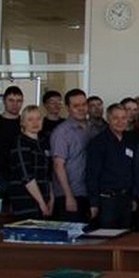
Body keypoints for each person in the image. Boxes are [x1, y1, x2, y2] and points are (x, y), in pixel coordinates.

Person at [86, 104, 138, 229]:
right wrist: (93, 203)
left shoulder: (130, 140)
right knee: (107, 236)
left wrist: (133, 197)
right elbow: (92, 174)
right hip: (106, 200)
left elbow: (133, 171)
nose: (120, 122)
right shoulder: (98, 142)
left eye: (123, 118)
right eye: (116, 118)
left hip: (126, 199)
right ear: (108, 119)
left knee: (125, 236)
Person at [51, 89, 92, 222]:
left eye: (83, 104)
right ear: (68, 108)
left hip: (88, 192)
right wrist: (68, 196)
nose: (81, 108)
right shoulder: (62, 132)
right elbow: (58, 165)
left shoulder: (92, 128)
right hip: (69, 195)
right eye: (76, 106)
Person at [8, 105, 53, 219]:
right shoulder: (20, 143)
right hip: (25, 200)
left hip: (45, 197)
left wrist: (51, 198)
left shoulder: (43, 142)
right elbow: (27, 177)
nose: (35, 123)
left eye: (38, 118)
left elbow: (48, 173)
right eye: (30, 119)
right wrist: (41, 202)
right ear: (22, 123)